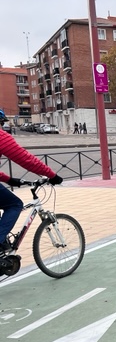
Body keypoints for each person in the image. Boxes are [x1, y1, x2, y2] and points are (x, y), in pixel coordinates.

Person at [0, 111, 63, 272]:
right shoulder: (1, 137)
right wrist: (52, 175)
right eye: (2, 123)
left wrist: (8, 179)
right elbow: (26, 159)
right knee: (14, 205)